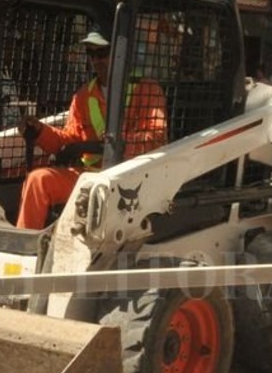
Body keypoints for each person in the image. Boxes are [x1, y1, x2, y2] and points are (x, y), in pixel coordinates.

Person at [17, 31, 166, 229]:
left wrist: (118, 140)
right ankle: (23, 242)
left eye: (102, 53)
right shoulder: (83, 96)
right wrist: (39, 131)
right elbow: (69, 140)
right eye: (91, 54)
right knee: (38, 180)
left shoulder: (147, 90)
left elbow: (157, 137)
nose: (96, 60)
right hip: (91, 176)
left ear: (121, 53)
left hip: (132, 178)